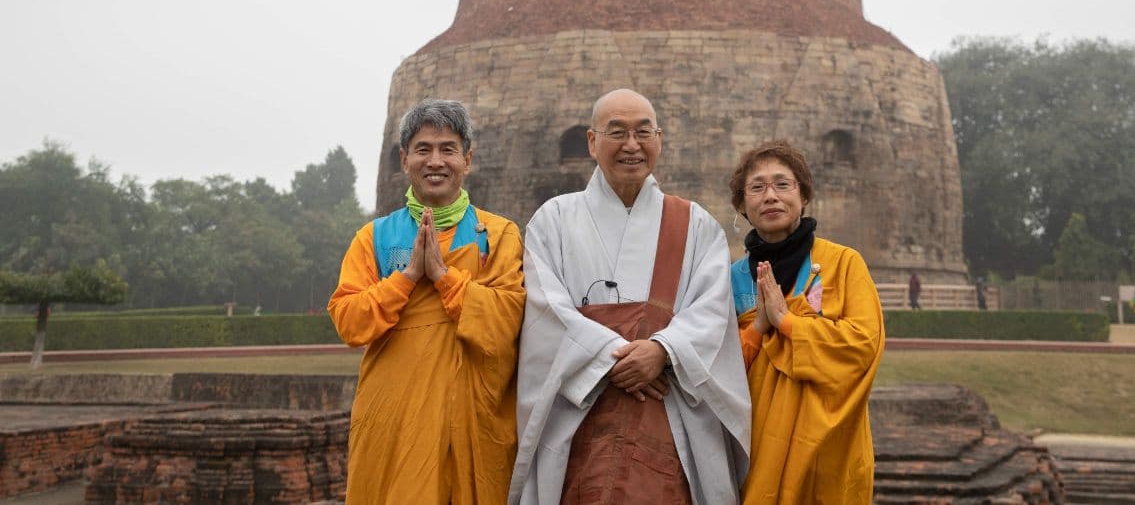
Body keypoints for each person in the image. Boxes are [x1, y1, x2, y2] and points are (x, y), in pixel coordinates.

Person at [510, 88, 750, 505]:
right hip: (581, 412)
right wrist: (615, 359)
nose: (631, 145)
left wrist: (662, 351)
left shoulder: (695, 225)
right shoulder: (554, 220)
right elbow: (545, 311)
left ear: (659, 139)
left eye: (643, 132)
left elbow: (713, 312)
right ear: (591, 142)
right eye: (617, 132)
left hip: (669, 408)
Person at [328, 99, 526, 504]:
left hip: (474, 419)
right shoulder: (376, 238)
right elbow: (349, 321)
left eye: (447, 149)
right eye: (423, 149)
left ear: (467, 160)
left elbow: (507, 321)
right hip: (396, 420)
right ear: (404, 159)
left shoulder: (497, 234)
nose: (435, 161)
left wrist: (444, 277)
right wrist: (405, 279)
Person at [730, 140, 884, 504]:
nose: (771, 196)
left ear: (804, 195)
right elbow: (714, 368)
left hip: (827, 448)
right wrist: (758, 328)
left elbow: (863, 345)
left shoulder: (844, 264)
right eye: (757, 187)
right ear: (741, 204)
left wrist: (787, 323)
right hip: (754, 449)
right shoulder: (731, 279)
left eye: (783, 184)